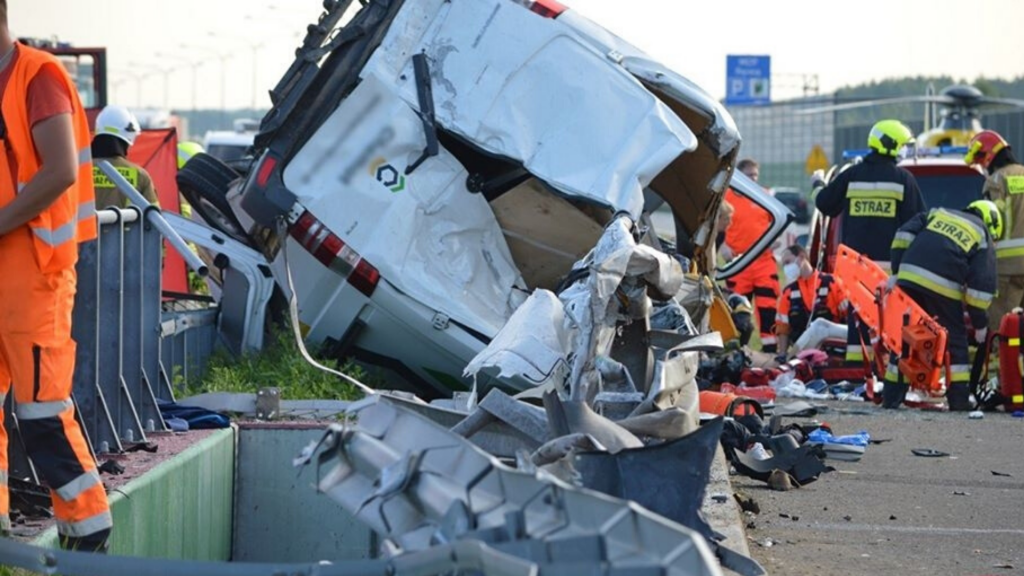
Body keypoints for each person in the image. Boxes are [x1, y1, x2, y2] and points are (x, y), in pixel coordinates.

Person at [0, 1, 111, 551]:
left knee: (41, 413)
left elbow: (61, 170)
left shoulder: (37, 75)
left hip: (36, 275)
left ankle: (88, 532)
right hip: (5, 270)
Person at [812, 119, 926, 367]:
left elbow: (824, 204)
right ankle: (888, 369)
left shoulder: (851, 175)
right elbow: (918, 222)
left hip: (856, 266)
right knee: (890, 320)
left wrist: (817, 185)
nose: (905, 150)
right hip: (890, 268)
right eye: (903, 145)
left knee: (859, 317)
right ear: (891, 145)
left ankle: (857, 370)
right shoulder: (903, 180)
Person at [884, 200, 1000, 410]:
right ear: (993, 226)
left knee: (906, 337)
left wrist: (897, 270)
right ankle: (959, 400)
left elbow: (904, 234)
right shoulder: (983, 234)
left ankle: (892, 396)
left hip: (909, 277)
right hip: (943, 285)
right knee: (955, 341)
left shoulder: (939, 213)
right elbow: (979, 289)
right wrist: (980, 324)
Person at [964, 130, 1024, 332]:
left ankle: (1002, 364)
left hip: (1006, 267)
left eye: (981, 161)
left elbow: (991, 222)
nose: (982, 167)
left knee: (1002, 327)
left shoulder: (996, 181)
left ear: (988, 155)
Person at [721, 158, 780, 352]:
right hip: (739, 264)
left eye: (756, 175)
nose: (754, 179)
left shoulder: (765, 196)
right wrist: (722, 247)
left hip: (764, 263)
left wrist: (775, 242)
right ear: (738, 176)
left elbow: (779, 223)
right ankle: (738, 351)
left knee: (768, 310)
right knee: (737, 312)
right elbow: (713, 226)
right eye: (749, 175)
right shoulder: (725, 197)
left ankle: (770, 353)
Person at [775, 244, 849, 359]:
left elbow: (849, 315)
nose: (786, 268)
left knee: (819, 326)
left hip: (832, 351)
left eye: (788, 262)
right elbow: (783, 328)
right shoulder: (788, 293)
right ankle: (792, 358)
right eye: (784, 265)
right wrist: (782, 354)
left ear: (801, 257)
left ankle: (792, 357)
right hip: (803, 355)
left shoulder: (831, 283)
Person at [91, 104, 158, 208]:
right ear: (128, 136)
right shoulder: (140, 175)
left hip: (82, 224)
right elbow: (154, 218)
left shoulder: (77, 170)